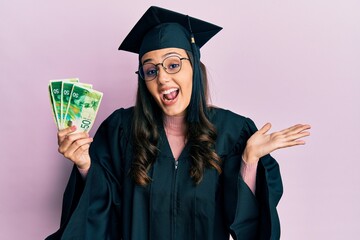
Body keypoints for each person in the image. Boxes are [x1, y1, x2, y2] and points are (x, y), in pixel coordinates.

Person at [46, 6, 311, 240]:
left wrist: (249, 161)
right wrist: (84, 164)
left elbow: (248, 226)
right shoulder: (120, 131)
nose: (162, 78)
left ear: (194, 66)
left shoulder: (233, 133)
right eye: (151, 70)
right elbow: (100, 211)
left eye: (173, 64)